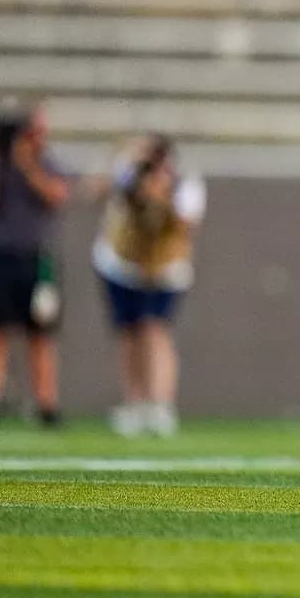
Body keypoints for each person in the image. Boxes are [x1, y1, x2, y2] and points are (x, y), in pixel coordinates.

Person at [93, 134, 206, 438]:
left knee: (155, 330)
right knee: (129, 333)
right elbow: (94, 191)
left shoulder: (184, 184)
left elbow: (185, 226)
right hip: (123, 266)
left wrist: (161, 197)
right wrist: (126, 165)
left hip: (164, 270)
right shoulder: (127, 173)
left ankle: (160, 403)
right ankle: (135, 403)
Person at [0, 102, 70, 426]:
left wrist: (27, 165)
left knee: (41, 336)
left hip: (38, 261)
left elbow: (57, 195)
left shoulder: (45, 164)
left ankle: (46, 405)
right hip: (1, 257)